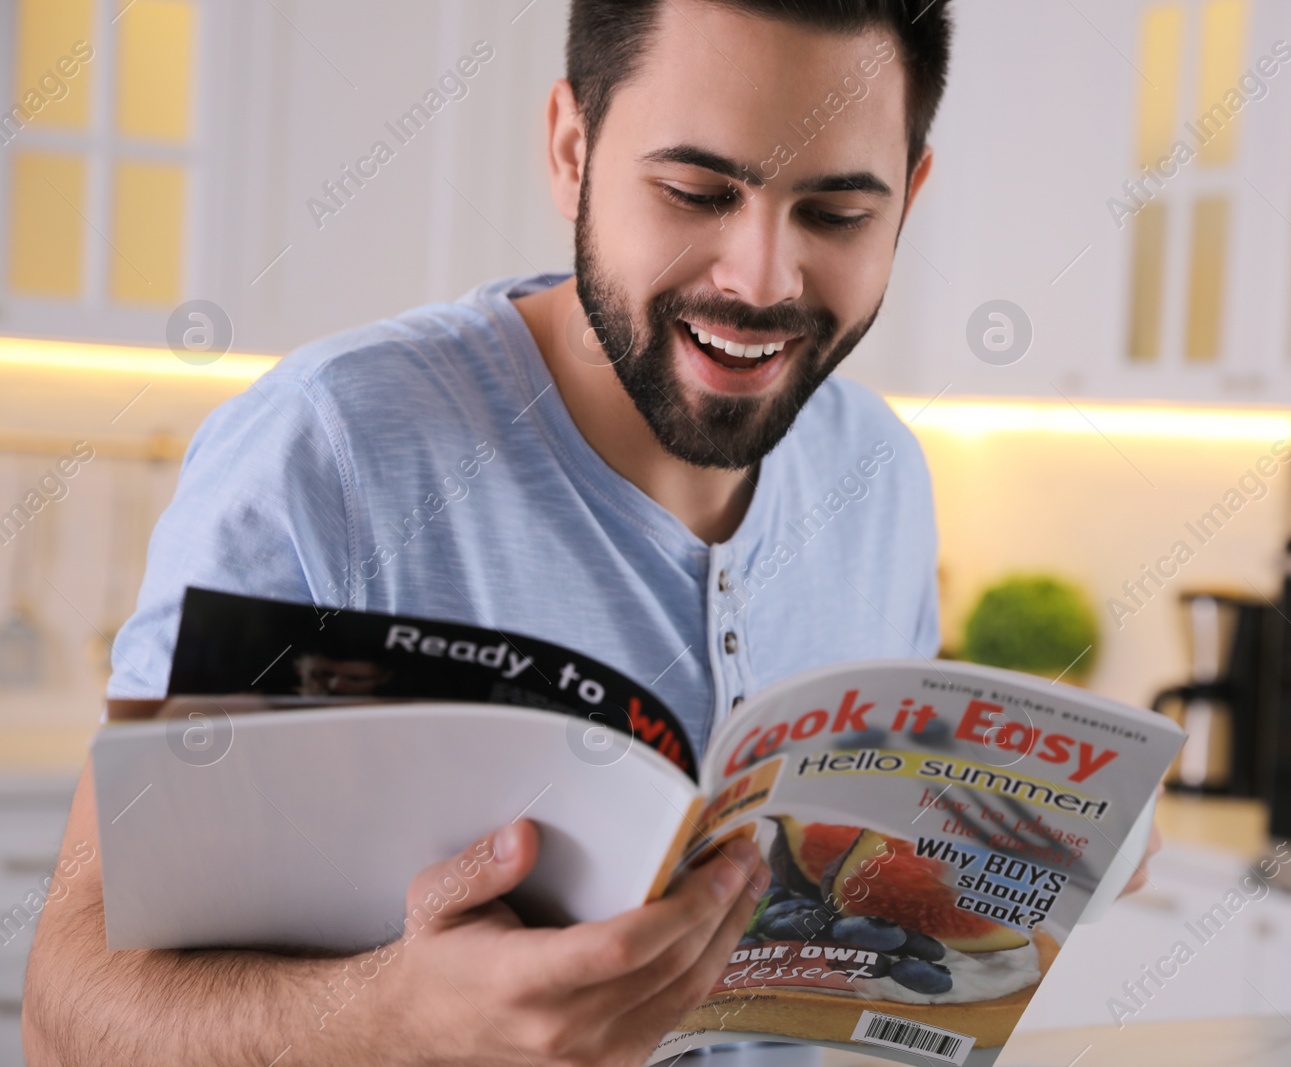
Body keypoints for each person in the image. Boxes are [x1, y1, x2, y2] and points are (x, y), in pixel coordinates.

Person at [24, 3, 1154, 1063]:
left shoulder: (883, 474)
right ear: (571, 146)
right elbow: (69, 1008)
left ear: (909, 191)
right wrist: (396, 1016)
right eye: (697, 192)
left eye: (836, 213)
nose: (760, 277)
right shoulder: (330, 452)